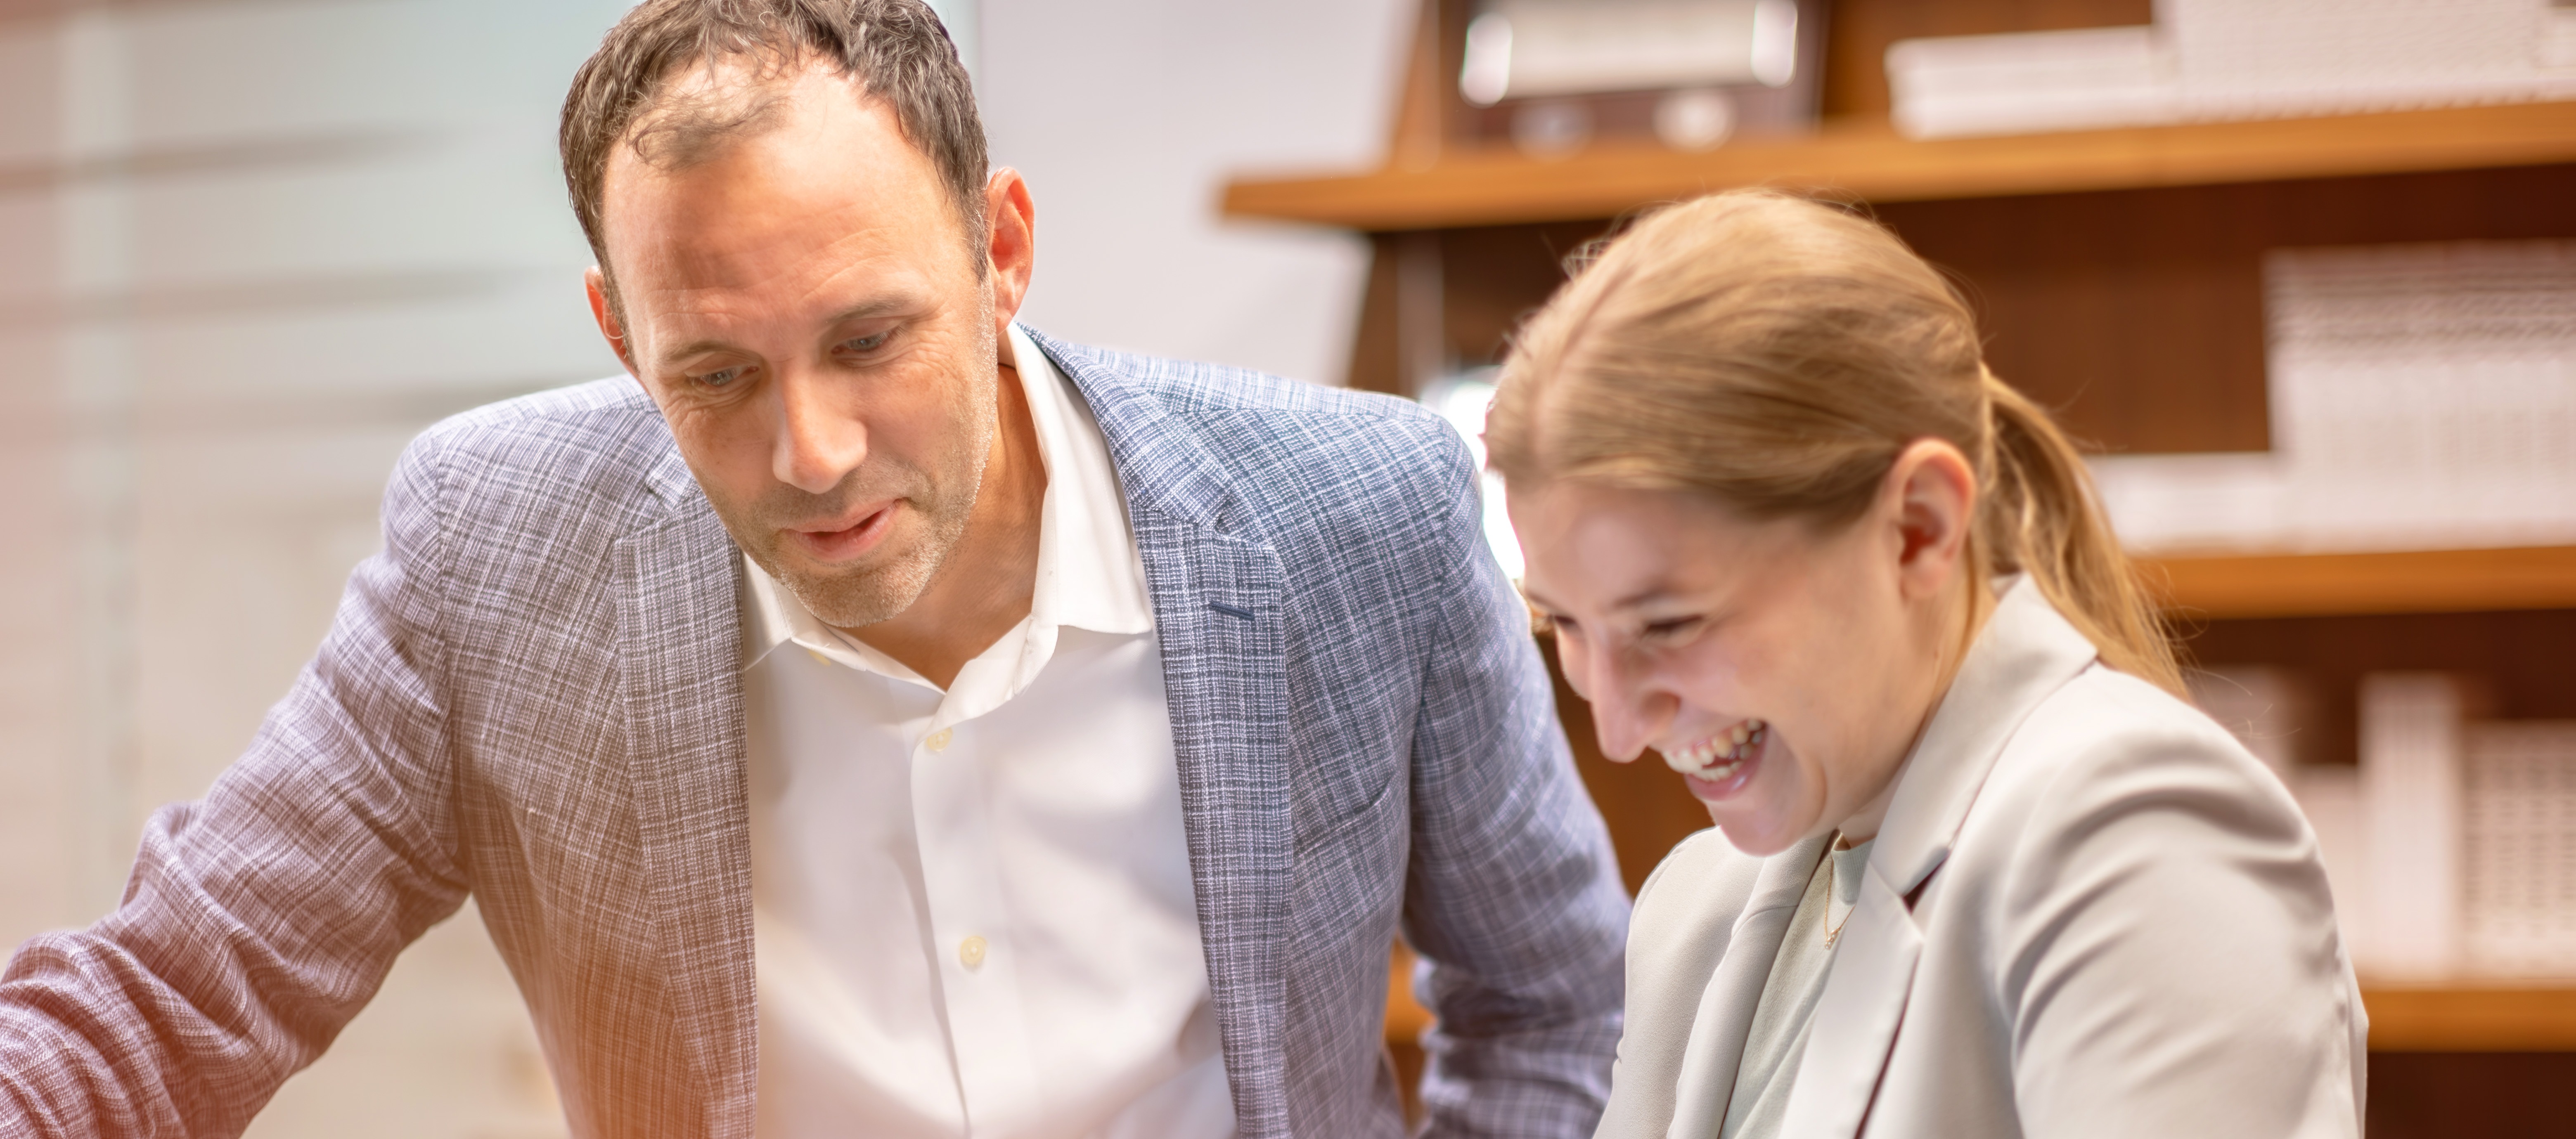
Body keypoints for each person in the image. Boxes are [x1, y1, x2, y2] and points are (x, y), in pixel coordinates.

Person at [0, 2, 1630, 1135]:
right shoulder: (496, 552)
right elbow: (175, 994)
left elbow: (1556, 1003)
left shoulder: (1357, 510)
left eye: (871, 339)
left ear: (1001, 252)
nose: (814, 454)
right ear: (618, 340)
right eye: (713, 374)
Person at [1486, 190, 2364, 1139]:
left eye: (1669, 624)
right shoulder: (1698, 907)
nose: (1618, 730)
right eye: (1564, 625)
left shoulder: (2131, 834)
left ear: (1917, 530)